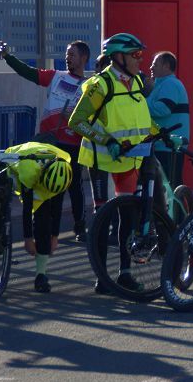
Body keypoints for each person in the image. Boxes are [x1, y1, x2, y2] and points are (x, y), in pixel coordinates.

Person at [68, 33, 166, 294]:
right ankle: (101, 278)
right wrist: (107, 140)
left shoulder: (135, 82)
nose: (140, 59)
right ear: (119, 57)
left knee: (128, 216)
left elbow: (139, 118)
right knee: (102, 217)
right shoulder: (100, 85)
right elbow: (76, 121)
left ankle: (124, 273)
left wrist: (162, 132)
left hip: (128, 159)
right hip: (101, 160)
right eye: (135, 55)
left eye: (141, 55)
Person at [0, 39, 90, 243]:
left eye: (72, 54)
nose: (67, 58)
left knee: (74, 186)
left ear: (84, 58)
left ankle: (80, 227)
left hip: (73, 145)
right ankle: (43, 228)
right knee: (44, 184)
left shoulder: (90, 86)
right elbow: (28, 72)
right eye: (66, 54)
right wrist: (7, 58)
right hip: (48, 143)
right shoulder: (56, 76)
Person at [0, 142, 73, 292]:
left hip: (44, 176)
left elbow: (57, 209)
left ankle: (41, 275)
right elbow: (27, 208)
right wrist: (28, 239)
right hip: (17, 163)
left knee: (44, 222)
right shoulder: (29, 171)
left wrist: (54, 236)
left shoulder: (65, 172)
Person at [144, 51, 190, 187]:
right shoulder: (161, 84)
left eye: (155, 65)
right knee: (166, 188)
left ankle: (179, 208)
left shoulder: (170, 84)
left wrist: (140, 102)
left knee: (169, 187)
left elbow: (163, 109)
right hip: (164, 144)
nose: (151, 68)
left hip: (169, 145)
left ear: (166, 66)